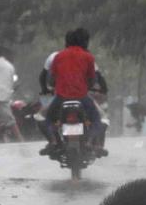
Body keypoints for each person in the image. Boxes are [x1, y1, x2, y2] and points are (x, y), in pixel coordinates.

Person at [40, 28, 104, 156]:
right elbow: (92, 80)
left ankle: (53, 141)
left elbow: (51, 80)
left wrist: (54, 86)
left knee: (46, 119)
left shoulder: (58, 56)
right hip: (82, 97)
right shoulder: (88, 57)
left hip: (61, 97)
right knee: (97, 120)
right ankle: (90, 141)